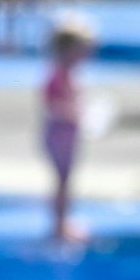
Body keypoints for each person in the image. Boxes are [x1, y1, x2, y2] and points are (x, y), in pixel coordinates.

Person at [44, 17, 96, 244]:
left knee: (66, 180)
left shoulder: (69, 74)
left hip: (67, 132)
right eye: (82, 49)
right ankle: (59, 225)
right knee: (62, 181)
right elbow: (52, 103)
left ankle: (63, 222)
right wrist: (75, 114)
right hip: (59, 134)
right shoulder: (58, 75)